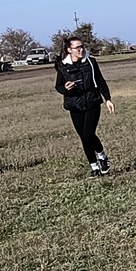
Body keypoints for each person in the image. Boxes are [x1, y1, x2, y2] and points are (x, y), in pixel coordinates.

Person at [55, 35, 116, 175]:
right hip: (74, 105)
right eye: (77, 47)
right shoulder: (63, 66)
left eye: (82, 46)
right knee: (83, 137)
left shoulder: (91, 62)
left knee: (88, 133)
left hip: (92, 102)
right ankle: (94, 168)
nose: (81, 49)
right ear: (69, 50)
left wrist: (107, 99)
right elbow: (58, 87)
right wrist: (66, 88)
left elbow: (100, 81)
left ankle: (102, 157)